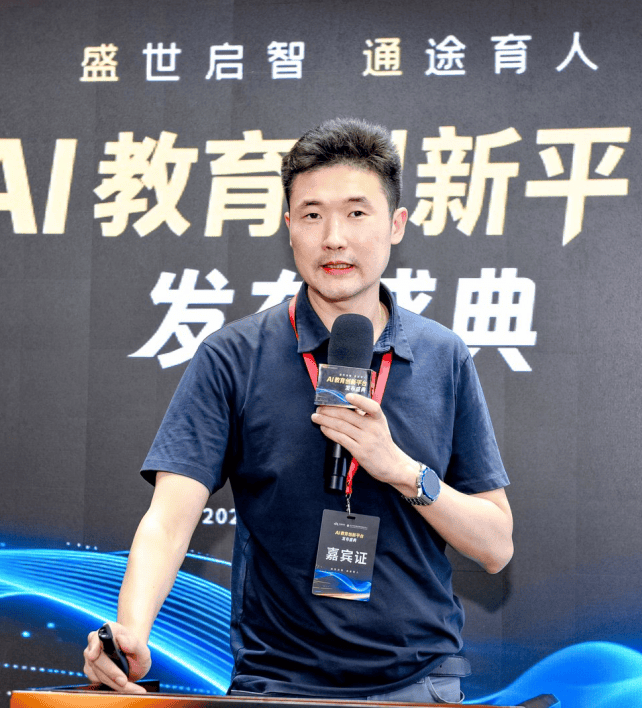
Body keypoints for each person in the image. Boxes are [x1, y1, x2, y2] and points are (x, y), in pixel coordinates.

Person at [83, 117, 513, 702]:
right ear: (288, 227)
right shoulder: (234, 356)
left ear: (396, 224)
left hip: (418, 685)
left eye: (356, 213)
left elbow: (495, 546)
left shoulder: (443, 355)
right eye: (312, 215)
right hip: (277, 685)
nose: (333, 237)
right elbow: (169, 519)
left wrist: (401, 469)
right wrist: (131, 630)